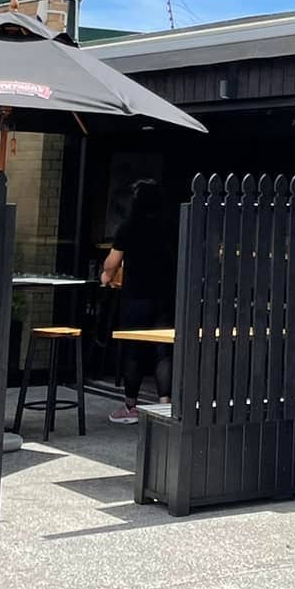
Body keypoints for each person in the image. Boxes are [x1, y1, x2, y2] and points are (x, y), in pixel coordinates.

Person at [100, 178, 176, 425]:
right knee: (163, 351)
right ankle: (166, 404)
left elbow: (111, 263)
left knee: (134, 351)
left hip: (136, 296)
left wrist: (106, 276)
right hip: (165, 295)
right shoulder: (169, 226)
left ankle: (131, 406)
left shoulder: (129, 227)